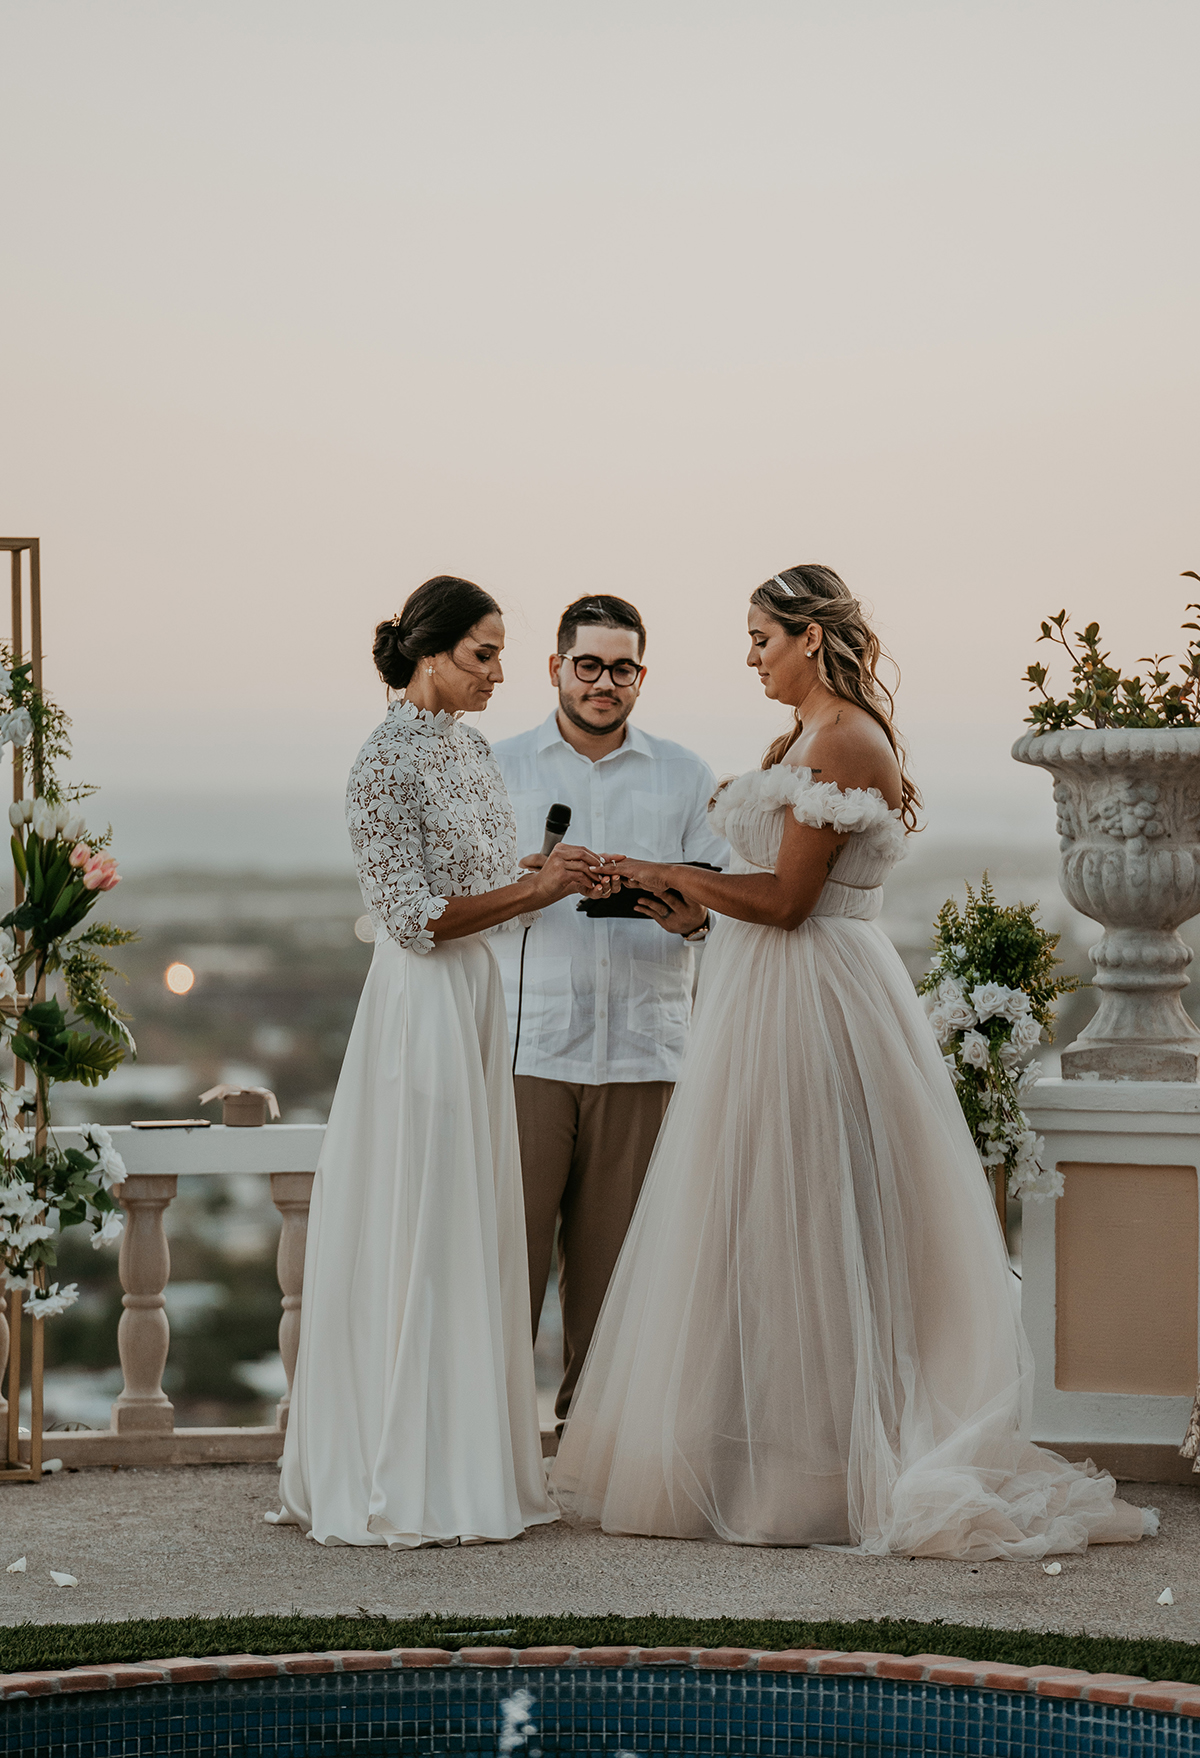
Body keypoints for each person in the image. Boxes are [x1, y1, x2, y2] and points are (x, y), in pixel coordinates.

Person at [551, 564, 1158, 1561]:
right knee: (756, 1217)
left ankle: (823, 1471)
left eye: (760, 638)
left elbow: (792, 902)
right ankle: (762, 1458)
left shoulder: (841, 741)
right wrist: (695, 915)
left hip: (814, 999)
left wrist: (672, 870)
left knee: (810, 1214)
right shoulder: (801, 739)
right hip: (766, 991)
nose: (750, 657)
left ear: (808, 637)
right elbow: (767, 899)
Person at [270, 575, 606, 1548]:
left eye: (502, 653)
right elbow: (414, 918)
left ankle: (469, 1467)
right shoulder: (381, 766)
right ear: (429, 653)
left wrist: (549, 878)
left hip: (475, 997)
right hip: (420, 1006)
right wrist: (533, 896)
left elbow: (488, 882)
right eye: (483, 654)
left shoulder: (467, 751)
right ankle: (402, 1474)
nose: (502, 673)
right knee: (422, 1220)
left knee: (471, 1227)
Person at [491, 595, 728, 1431]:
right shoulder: (498, 765)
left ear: (641, 676)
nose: (603, 682)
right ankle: (492, 1454)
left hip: (642, 1053)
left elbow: (728, 898)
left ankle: (595, 1454)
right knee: (501, 1274)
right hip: (527, 1052)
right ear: (555, 667)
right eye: (586, 665)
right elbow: (460, 907)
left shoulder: (686, 775)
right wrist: (534, 884)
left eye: (620, 668)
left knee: (619, 1283)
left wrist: (688, 910)